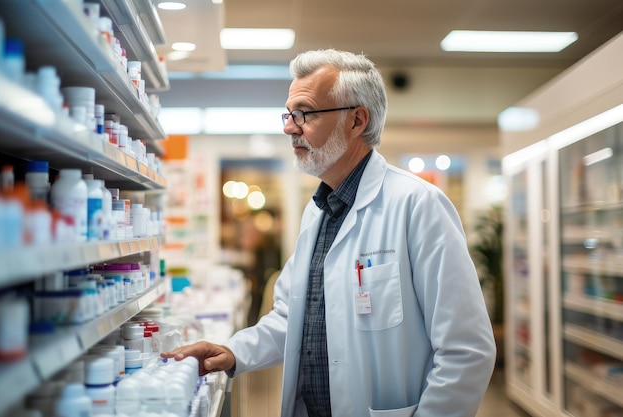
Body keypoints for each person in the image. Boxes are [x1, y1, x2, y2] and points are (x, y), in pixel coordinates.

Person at [161, 49, 496, 417]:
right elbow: (293, 317)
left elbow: (467, 349)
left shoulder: (418, 205)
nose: (289, 127)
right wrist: (234, 351)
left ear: (356, 120)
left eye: (303, 113)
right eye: (288, 115)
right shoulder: (317, 212)